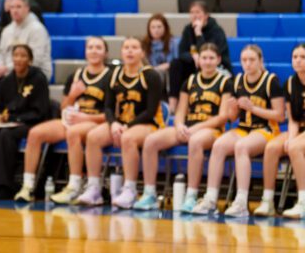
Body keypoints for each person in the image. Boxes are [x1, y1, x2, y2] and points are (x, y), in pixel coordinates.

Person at [133, 42, 231, 211]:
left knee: (195, 141)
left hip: (212, 130)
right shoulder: (190, 81)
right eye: (204, 58)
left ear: (218, 60)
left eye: (211, 58)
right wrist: (179, 125)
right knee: (150, 141)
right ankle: (149, 194)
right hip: (187, 128)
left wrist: (196, 129)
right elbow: (180, 110)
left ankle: (191, 195)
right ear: (198, 60)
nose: (207, 62)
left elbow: (222, 117)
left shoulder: (226, 83)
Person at [192, 44, 285, 217]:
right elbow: (232, 118)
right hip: (243, 128)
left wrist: (253, 108)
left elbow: (280, 115)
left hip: (266, 129)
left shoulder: (271, 80)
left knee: (241, 147)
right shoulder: (237, 81)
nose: (247, 63)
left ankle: (241, 202)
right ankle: (210, 198)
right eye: (244, 60)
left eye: (252, 60)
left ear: (260, 61)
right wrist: (232, 108)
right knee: (219, 145)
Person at [17, 37, 111, 205]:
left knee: (73, 133)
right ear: (85, 52)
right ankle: (28, 186)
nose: (94, 51)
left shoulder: (111, 77)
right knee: (35, 133)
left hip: (96, 121)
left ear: (106, 53)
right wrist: (73, 95)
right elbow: (64, 107)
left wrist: (86, 118)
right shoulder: (76, 75)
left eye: (98, 48)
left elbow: (112, 113)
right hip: (73, 119)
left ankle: (74, 186)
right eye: (90, 47)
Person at [76, 38, 164, 207]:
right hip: (121, 124)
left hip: (149, 124)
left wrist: (126, 127)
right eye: (126, 48)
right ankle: (94, 189)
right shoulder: (114, 74)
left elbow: (150, 111)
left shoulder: (151, 75)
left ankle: (130, 189)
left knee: (128, 138)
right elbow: (108, 107)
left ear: (142, 53)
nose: (130, 51)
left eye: (134, 47)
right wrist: (114, 124)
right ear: (121, 52)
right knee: (93, 137)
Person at [0, 44, 50, 200]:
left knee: (6, 134)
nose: (18, 59)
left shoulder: (38, 79)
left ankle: (6, 185)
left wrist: (15, 119)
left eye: (23, 56)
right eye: (16, 55)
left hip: (32, 122)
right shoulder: (7, 81)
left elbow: (40, 111)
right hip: (9, 123)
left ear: (30, 60)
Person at [253, 44, 305, 217]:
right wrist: (291, 137)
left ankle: (303, 201)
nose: (298, 60)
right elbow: (293, 119)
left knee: (295, 147)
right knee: (272, 147)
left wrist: (294, 142)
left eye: (302, 57)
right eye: (295, 57)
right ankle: (268, 201)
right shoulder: (290, 83)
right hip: (299, 128)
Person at [0, 0, 51, 94]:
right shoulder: (7, 30)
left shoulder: (37, 29)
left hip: (34, 73)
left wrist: (6, 69)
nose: (15, 10)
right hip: (8, 72)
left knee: (6, 85)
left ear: (27, 8)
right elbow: (1, 54)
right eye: (12, 7)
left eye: (18, 7)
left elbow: (35, 60)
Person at [171, 0, 231, 102]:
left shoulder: (216, 30)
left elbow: (210, 52)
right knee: (176, 64)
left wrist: (199, 34)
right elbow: (181, 52)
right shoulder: (188, 29)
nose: (195, 15)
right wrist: (193, 56)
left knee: (204, 62)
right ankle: (173, 103)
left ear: (206, 15)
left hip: (216, 65)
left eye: (198, 12)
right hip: (196, 63)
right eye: (192, 12)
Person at [142, 14, 178, 101]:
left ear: (165, 28)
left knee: (158, 74)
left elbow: (177, 61)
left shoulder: (174, 42)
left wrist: (167, 65)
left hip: (168, 73)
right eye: (153, 27)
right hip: (148, 71)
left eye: (159, 27)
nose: (156, 30)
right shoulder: (144, 44)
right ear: (149, 29)